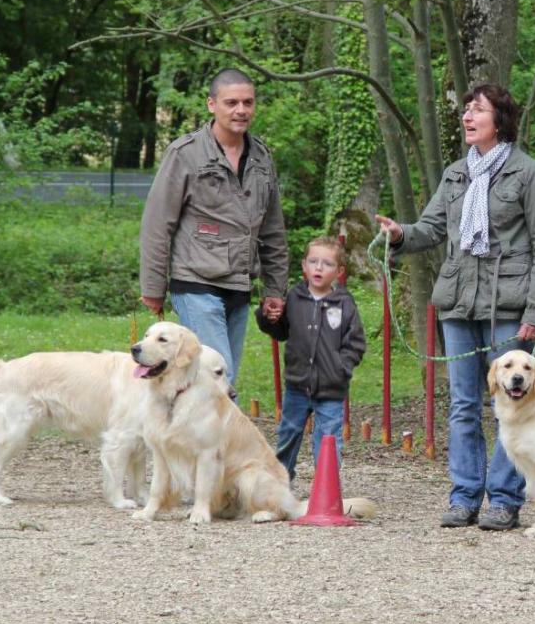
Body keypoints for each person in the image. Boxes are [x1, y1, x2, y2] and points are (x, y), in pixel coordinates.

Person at [374, 84, 535, 531]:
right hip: (458, 302)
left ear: (501, 120)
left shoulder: (528, 173)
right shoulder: (457, 173)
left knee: (511, 404)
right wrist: (400, 235)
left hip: (510, 304)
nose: (468, 117)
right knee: (462, 404)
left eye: (479, 110)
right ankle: (463, 495)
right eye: (467, 110)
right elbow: (432, 228)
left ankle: (504, 500)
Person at [138, 67, 289, 386]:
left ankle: (178, 433)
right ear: (212, 105)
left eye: (248, 103)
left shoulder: (262, 156)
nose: (241, 110)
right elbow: (157, 223)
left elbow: (273, 229)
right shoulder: (185, 153)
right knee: (219, 375)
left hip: (240, 283)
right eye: (231, 102)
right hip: (196, 280)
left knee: (211, 377)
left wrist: (275, 288)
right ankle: (218, 437)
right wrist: (153, 287)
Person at [255, 237, 366, 484]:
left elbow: (356, 343)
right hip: (297, 385)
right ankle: (280, 482)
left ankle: (326, 488)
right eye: (313, 261)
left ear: (339, 272)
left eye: (326, 264)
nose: (318, 268)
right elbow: (280, 331)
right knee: (288, 434)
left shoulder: (344, 303)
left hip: (331, 388)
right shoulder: (294, 297)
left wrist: (341, 368)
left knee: (327, 439)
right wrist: (266, 317)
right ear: (304, 266)